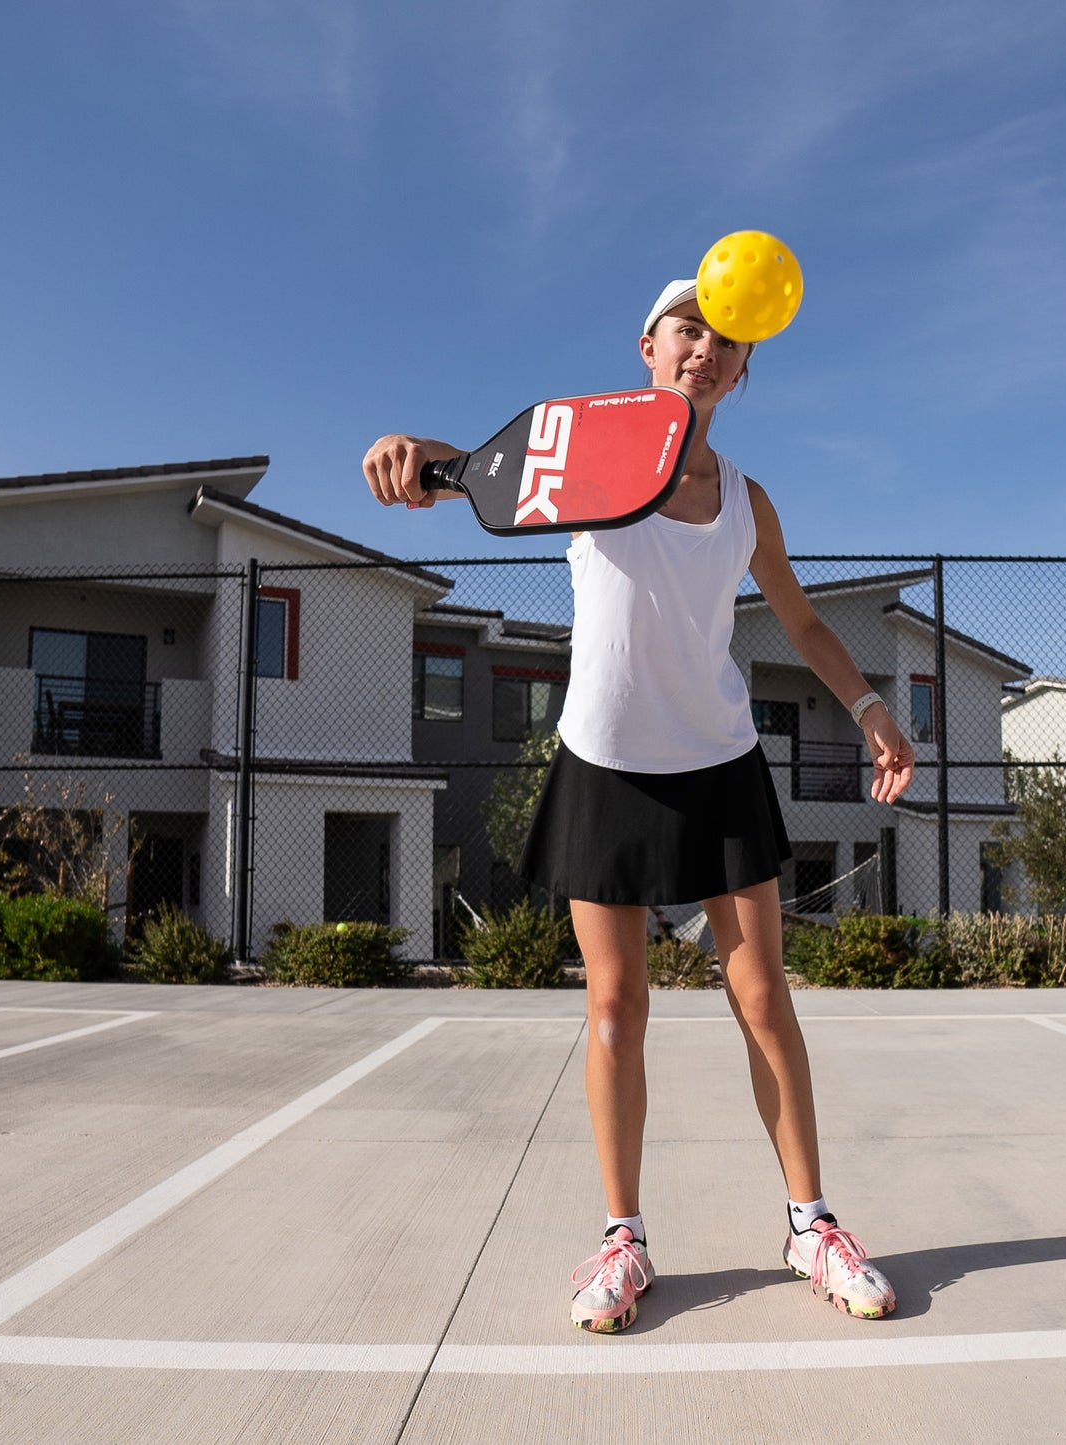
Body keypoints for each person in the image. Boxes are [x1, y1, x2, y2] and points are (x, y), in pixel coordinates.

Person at [363, 277, 916, 1334]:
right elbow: (461, 471)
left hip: (718, 763)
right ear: (648, 348)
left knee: (764, 1000)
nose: (704, 347)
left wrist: (870, 705)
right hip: (604, 762)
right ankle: (624, 1236)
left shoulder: (750, 499)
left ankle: (811, 1223)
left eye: (725, 340)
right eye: (686, 328)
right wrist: (400, 448)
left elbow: (799, 623)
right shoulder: (588, 454)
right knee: (615, 1008)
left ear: (743, 371)